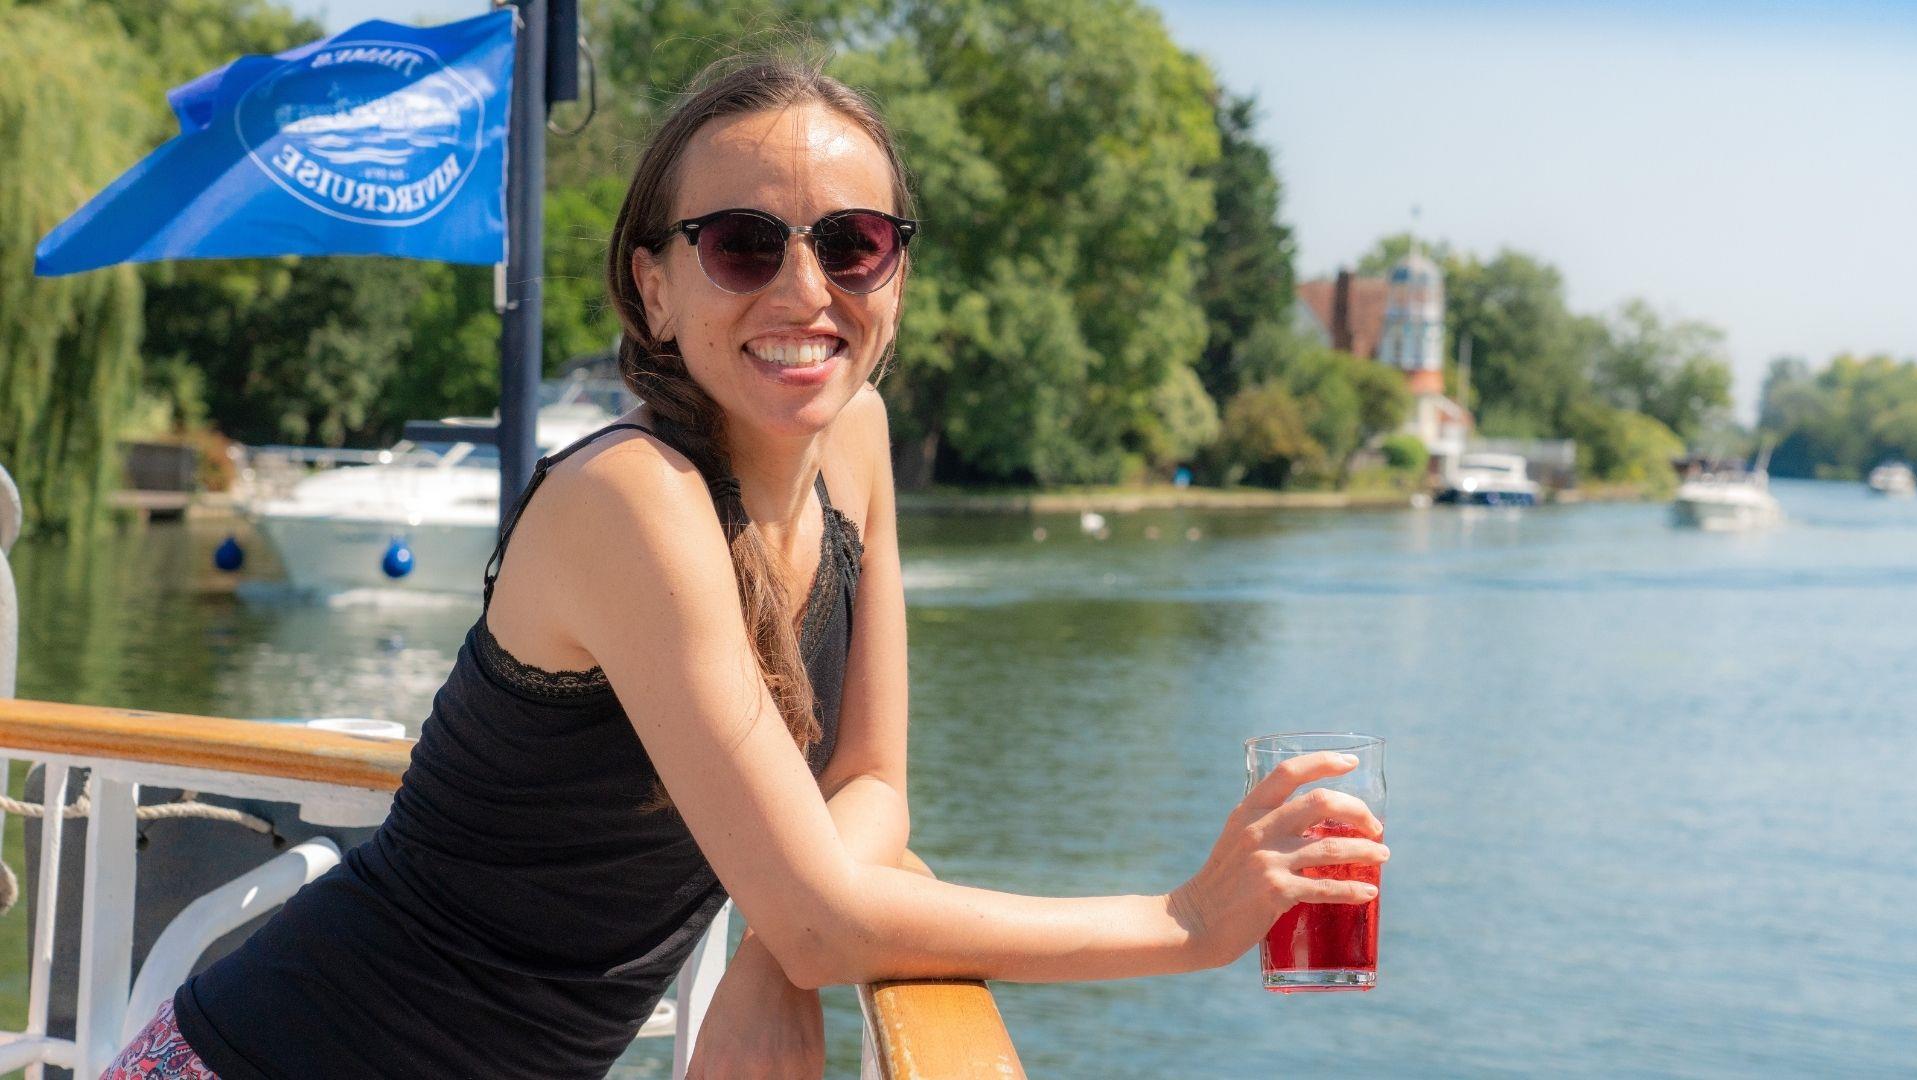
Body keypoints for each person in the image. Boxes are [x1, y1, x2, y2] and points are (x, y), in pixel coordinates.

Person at [103, 54, 1387, 1080]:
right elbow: (836, 906)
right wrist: (1184, 924)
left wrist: (780, 945)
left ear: (895, 272)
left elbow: (870, 781)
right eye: (741, 245)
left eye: (853, 242)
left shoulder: (860, 440)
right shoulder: (631, 499)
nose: (804, 286)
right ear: (654, 288)